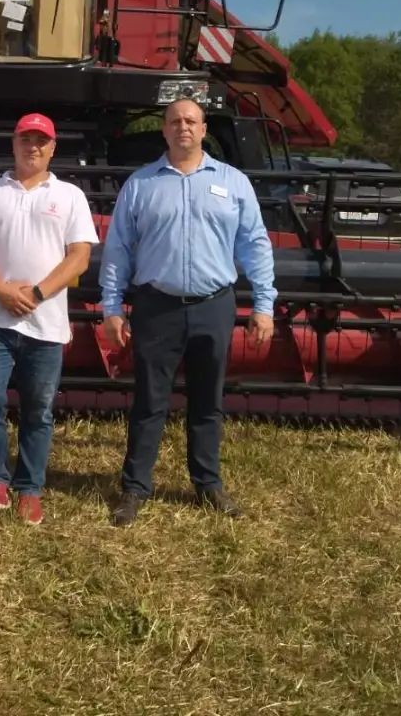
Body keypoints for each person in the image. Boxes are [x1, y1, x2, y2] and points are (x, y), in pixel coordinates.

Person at [99, 98, 276, 526]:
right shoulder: (140, 185)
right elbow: (118, 249)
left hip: (214, 305)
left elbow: (255, 245)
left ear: (203, 130)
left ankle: (208, 483)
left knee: (208, 401)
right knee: (149, 402)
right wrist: (111, 306)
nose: (184, 127)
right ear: (163, 130)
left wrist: (264, 305)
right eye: (176, 121)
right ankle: (135, 488)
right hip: (155, 306)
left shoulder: (233, 183)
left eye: (192, 121)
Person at [0, 112, 97, 525]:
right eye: (25, 139)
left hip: (46, 323)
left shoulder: (70, 196)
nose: (32, 147)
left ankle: (30, 487)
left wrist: (36, 294)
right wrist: (1, 291)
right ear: (13, 144)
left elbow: (80, 256)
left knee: (38, 409)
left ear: (53, 148)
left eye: (41, 140)